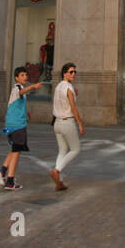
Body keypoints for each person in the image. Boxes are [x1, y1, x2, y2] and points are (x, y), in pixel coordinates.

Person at [0, 67, 44, 190]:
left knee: (15, 149)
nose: (25, 77)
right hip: (17, 125)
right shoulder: (17, 88)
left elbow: (17, 104)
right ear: (16, 78)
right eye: (22, 75)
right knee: (16, 152)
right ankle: (10, 181)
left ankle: (3, 172)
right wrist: (33, 87)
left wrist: (26, 113)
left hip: (15, 124)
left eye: (25, 75)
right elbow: (21, 93)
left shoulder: (19, 90)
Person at [50, 62, 85, 190]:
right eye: (71, 72)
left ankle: (59, 182)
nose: (74, 74)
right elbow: (73, 107)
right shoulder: (68, 88)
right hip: (67, 122)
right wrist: (80, 123)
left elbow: (63, 102)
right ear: (64, 74)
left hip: (57, 123)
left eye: (75, 71)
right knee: (75, 149)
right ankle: (57, 170)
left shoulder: (59, 86)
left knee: (63, 150)